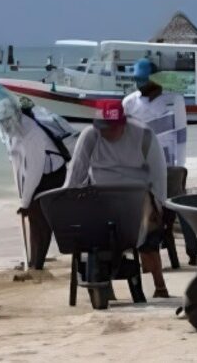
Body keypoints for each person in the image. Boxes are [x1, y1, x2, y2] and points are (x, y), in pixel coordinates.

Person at [64, 99, 169, 297]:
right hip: (100, 194)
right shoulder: (90, 136)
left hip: (137, 195)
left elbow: (158, 173)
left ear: (123, 123)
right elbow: (75, 174)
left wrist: (158, 204)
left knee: (148, 225)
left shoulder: (143, 135)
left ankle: (159, 285)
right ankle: (103, 286)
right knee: (92, 233)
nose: (107, 133)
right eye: (103, 128)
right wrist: (67, 202)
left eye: (112, 128)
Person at [123, 58, 197, 266]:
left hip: (170, 166)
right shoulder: (129, 103)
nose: (139, 85)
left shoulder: (173, 100)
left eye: (143, 80)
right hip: (141, 168)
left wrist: (181, 166)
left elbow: (181, 135)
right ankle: (138, 253)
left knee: (182, 207)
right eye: (136, 80)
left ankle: (193, 253)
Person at [0, 97, 74, 270]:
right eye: (3, 121)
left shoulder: (32, 133)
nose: (6, 124)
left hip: (52, 174)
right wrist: (24, 197)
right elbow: (17, 160)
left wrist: (24, 202)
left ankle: (36, 264)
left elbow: (34, 171)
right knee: (34, 217)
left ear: (17, 115)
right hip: (38, 173)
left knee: (40, 220)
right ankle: (32, 260)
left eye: (9, 121)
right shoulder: (8, 126)